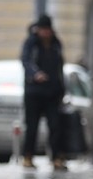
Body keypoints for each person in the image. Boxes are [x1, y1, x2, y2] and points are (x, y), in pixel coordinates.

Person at [20, 14, 67, 171]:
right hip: (34, 92)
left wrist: (62, 88)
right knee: (32, 126)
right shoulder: (31, 43)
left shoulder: (56, 44)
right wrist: (36, 74)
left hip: (53, 92)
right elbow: (25, 61)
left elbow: (60, 67)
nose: (45, 33)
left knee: (55, 126)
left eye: (47, 30)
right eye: (43, 30)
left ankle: (57, 158)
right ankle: (28, 156)